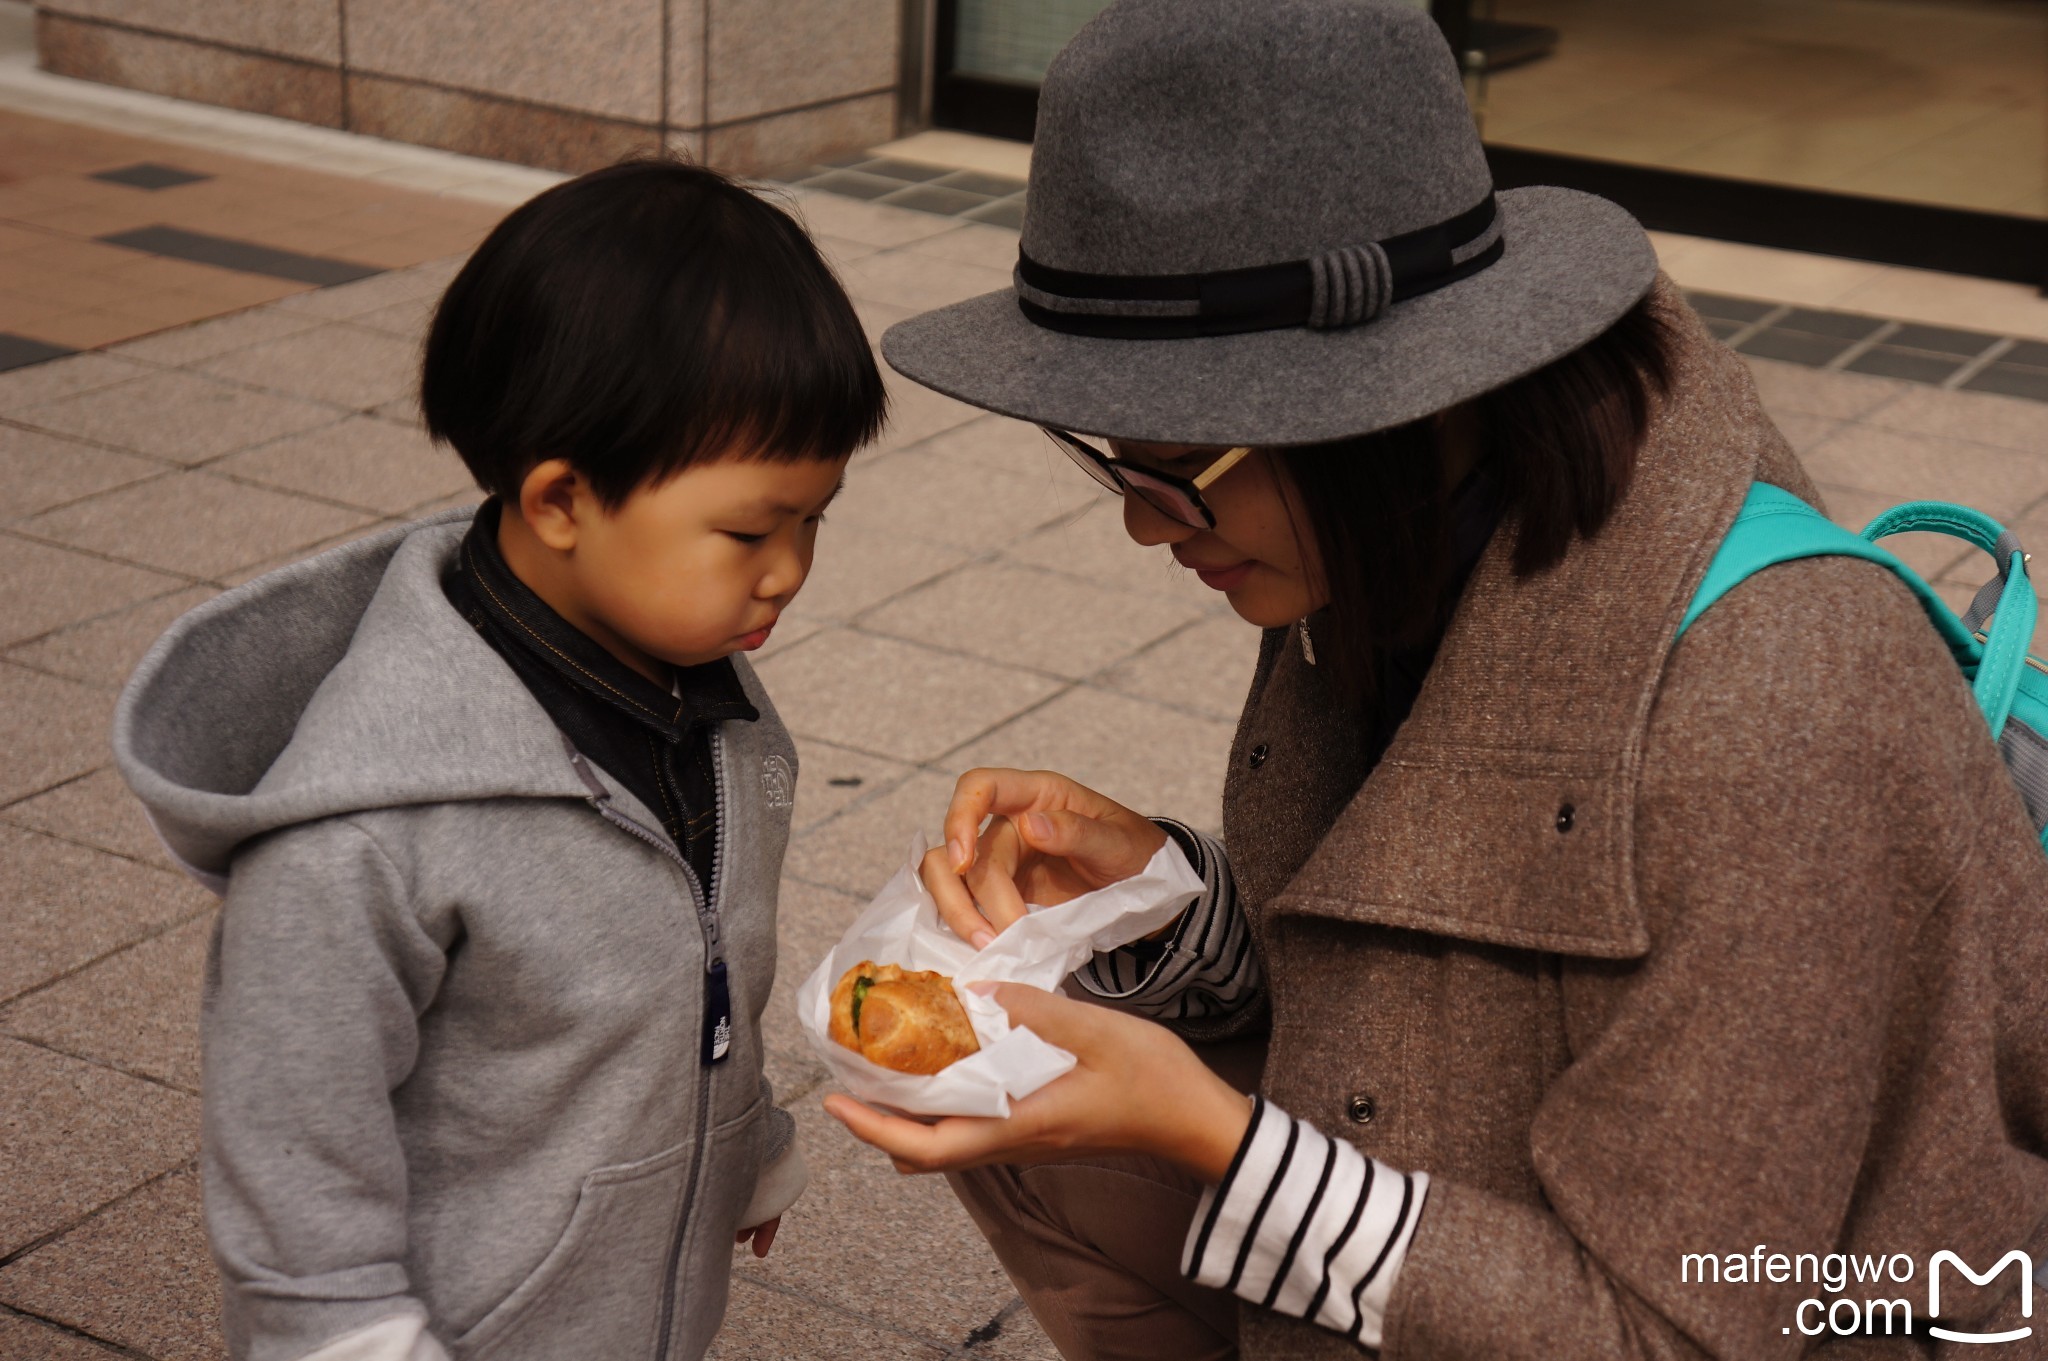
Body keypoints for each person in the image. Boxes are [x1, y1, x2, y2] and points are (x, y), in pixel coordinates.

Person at [824, 1, 2048, 1356]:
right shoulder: (1413, 531)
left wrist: (1216, 1142)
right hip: (1515, 1207)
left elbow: (1685, 1328)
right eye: (1114, 455)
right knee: (1025, 1091)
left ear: (1383, 408)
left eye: (1181, 464)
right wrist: (1168, 904)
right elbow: (1439, 972)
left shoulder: (1774, 702)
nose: (1140, 519)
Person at [113, 159, 885, 1361]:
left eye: (814, 517)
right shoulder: (367, 826)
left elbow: (707, 960)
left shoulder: (703, 699)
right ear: (562, 498)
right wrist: (343, 1335)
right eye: (748, 529)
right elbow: (292, 1138)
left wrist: (747, 1146)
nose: (787, 567)